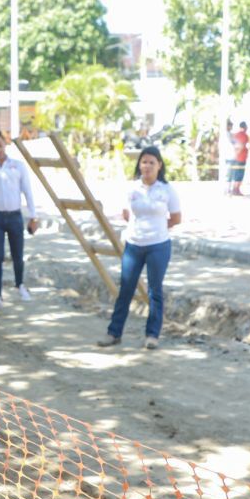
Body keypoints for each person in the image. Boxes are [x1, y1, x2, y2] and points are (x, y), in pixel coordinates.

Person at [96, 145, 181, 350]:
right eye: (144, 162)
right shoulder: (132, 188)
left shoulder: (167, 190)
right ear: (139, 165)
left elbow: (176, 218)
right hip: (134, 245)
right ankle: (114, 333)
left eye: (152, 162)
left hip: (158, 246)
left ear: (159, 165)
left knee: (154, 291)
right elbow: (127, 214)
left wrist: (158, 228)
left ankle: (152, 335)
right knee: (125, 289)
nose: (147, 166)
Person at [0, 130, 38, 310]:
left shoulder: (18, 166)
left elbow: (27, 191)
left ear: (5, 143)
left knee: (18, 255)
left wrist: (33, 216)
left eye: (0, 145)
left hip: (15, 216)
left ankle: (20, 285)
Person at [230, 121, 250, 196]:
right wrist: (237, 154)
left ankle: (235, 189)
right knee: (239, 175)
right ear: (245, 127)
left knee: (236, 174)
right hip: (241, 158)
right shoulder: (244, 135)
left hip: (236, 158)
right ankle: (236, 190)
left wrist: (235, 154)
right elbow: (241, 145)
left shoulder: (236, 135)